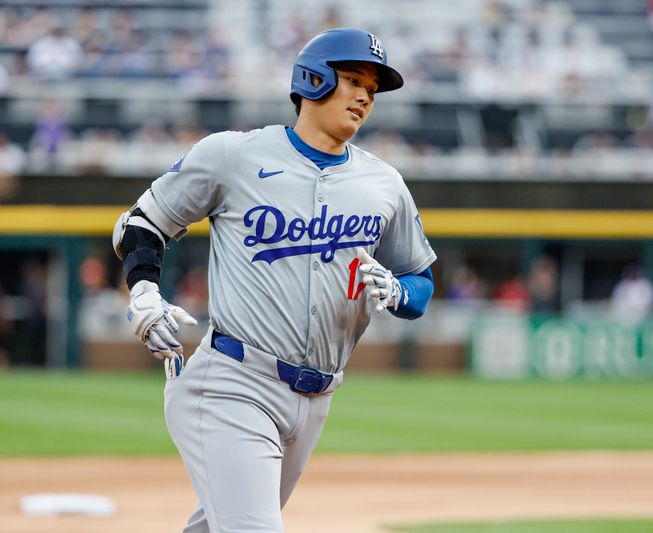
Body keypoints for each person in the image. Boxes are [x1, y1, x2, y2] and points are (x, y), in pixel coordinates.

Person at [112, 28, 436, 532]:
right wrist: (145, 292)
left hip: (318, 397)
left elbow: (421, 283)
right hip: (235, 384)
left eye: (371, 90)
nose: (364, 97)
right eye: (352, 80)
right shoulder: (234, 155)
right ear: (313, 80)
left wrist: (399, 292)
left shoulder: (385, 184)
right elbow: (142, 223)